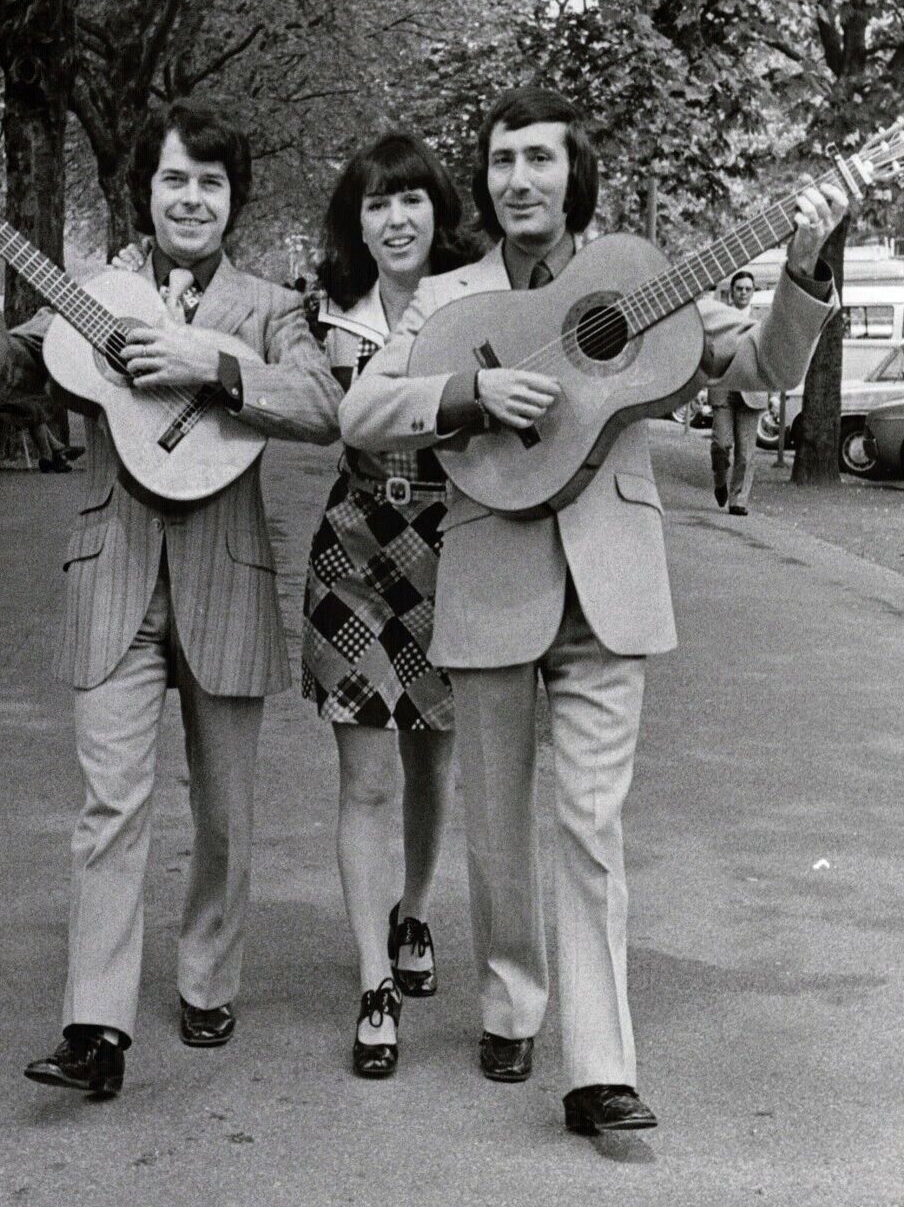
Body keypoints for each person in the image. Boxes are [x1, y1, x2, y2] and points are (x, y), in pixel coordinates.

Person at [339, 85, 845, 1137]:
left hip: (610, 574)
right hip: (487, 571)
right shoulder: (449, 296)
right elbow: (361, 407)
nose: (517, 179)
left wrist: (806, 262)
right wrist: (468, 399)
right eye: (500, 160)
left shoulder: (638, 277)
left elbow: (759, 367)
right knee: (494, 826)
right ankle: (510, 998)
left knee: (589, 821)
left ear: (576, 175)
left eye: (538, 159)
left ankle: (598, 1065)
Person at [0, 95, 342, 1097]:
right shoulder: (93, 297)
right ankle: (95, 1027)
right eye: (173, 179)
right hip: (114, 571)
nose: (191, 198)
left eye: (209, 181)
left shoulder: (267, 307)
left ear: (231, 199)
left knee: (227, 813)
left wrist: (214, 367)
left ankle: (207, 975)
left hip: (226, 573)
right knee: (109, 804)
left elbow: (325, 405)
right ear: (145, 192)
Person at [302, 132, 482, 1077]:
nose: (396, 218)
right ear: (356, 222)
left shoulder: (479, 299)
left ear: (436, 210)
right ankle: (375, 976)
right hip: (357, 554)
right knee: (366, 777)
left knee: (433, 763)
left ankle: (417, 911)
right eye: (376, 203)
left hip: (457, 548)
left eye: (411, 199)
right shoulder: (322, 313)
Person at [709, 269, 768, 514]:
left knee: (745, 453)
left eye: (748, 289)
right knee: (721, 445)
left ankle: (738, 500)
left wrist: (772, 394)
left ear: (753, 293)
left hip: (752, 390)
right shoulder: (721, 317)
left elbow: (770, 359)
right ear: (731, 292)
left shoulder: (763, 321)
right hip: (724, 387)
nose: (743, 293)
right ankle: (720, 481)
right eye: (739, 288)